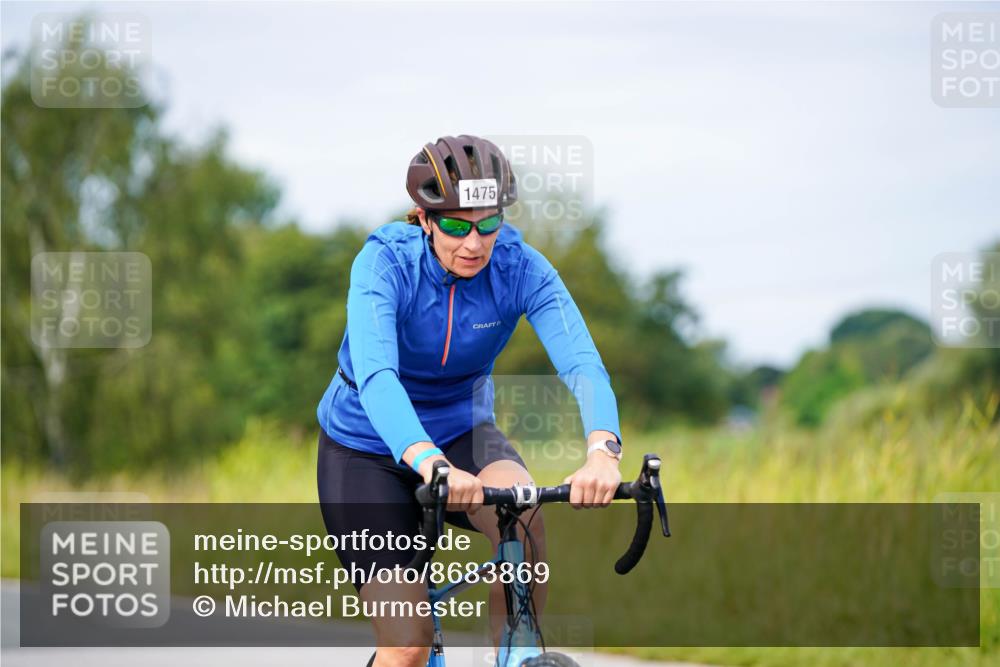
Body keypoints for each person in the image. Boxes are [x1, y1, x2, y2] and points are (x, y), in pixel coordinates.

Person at [316, 135, 623, 667]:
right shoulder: (384, 264)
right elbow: (378, 376)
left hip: (463, 431)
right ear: (424, 218)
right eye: (457, 226)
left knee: (522, 514)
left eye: (488, 223)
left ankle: (513, 655)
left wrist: (603, 449)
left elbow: (581, 363)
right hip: (366, 447)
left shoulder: (522, 267)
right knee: (407, 645)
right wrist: (429, 462)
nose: (474, 243)